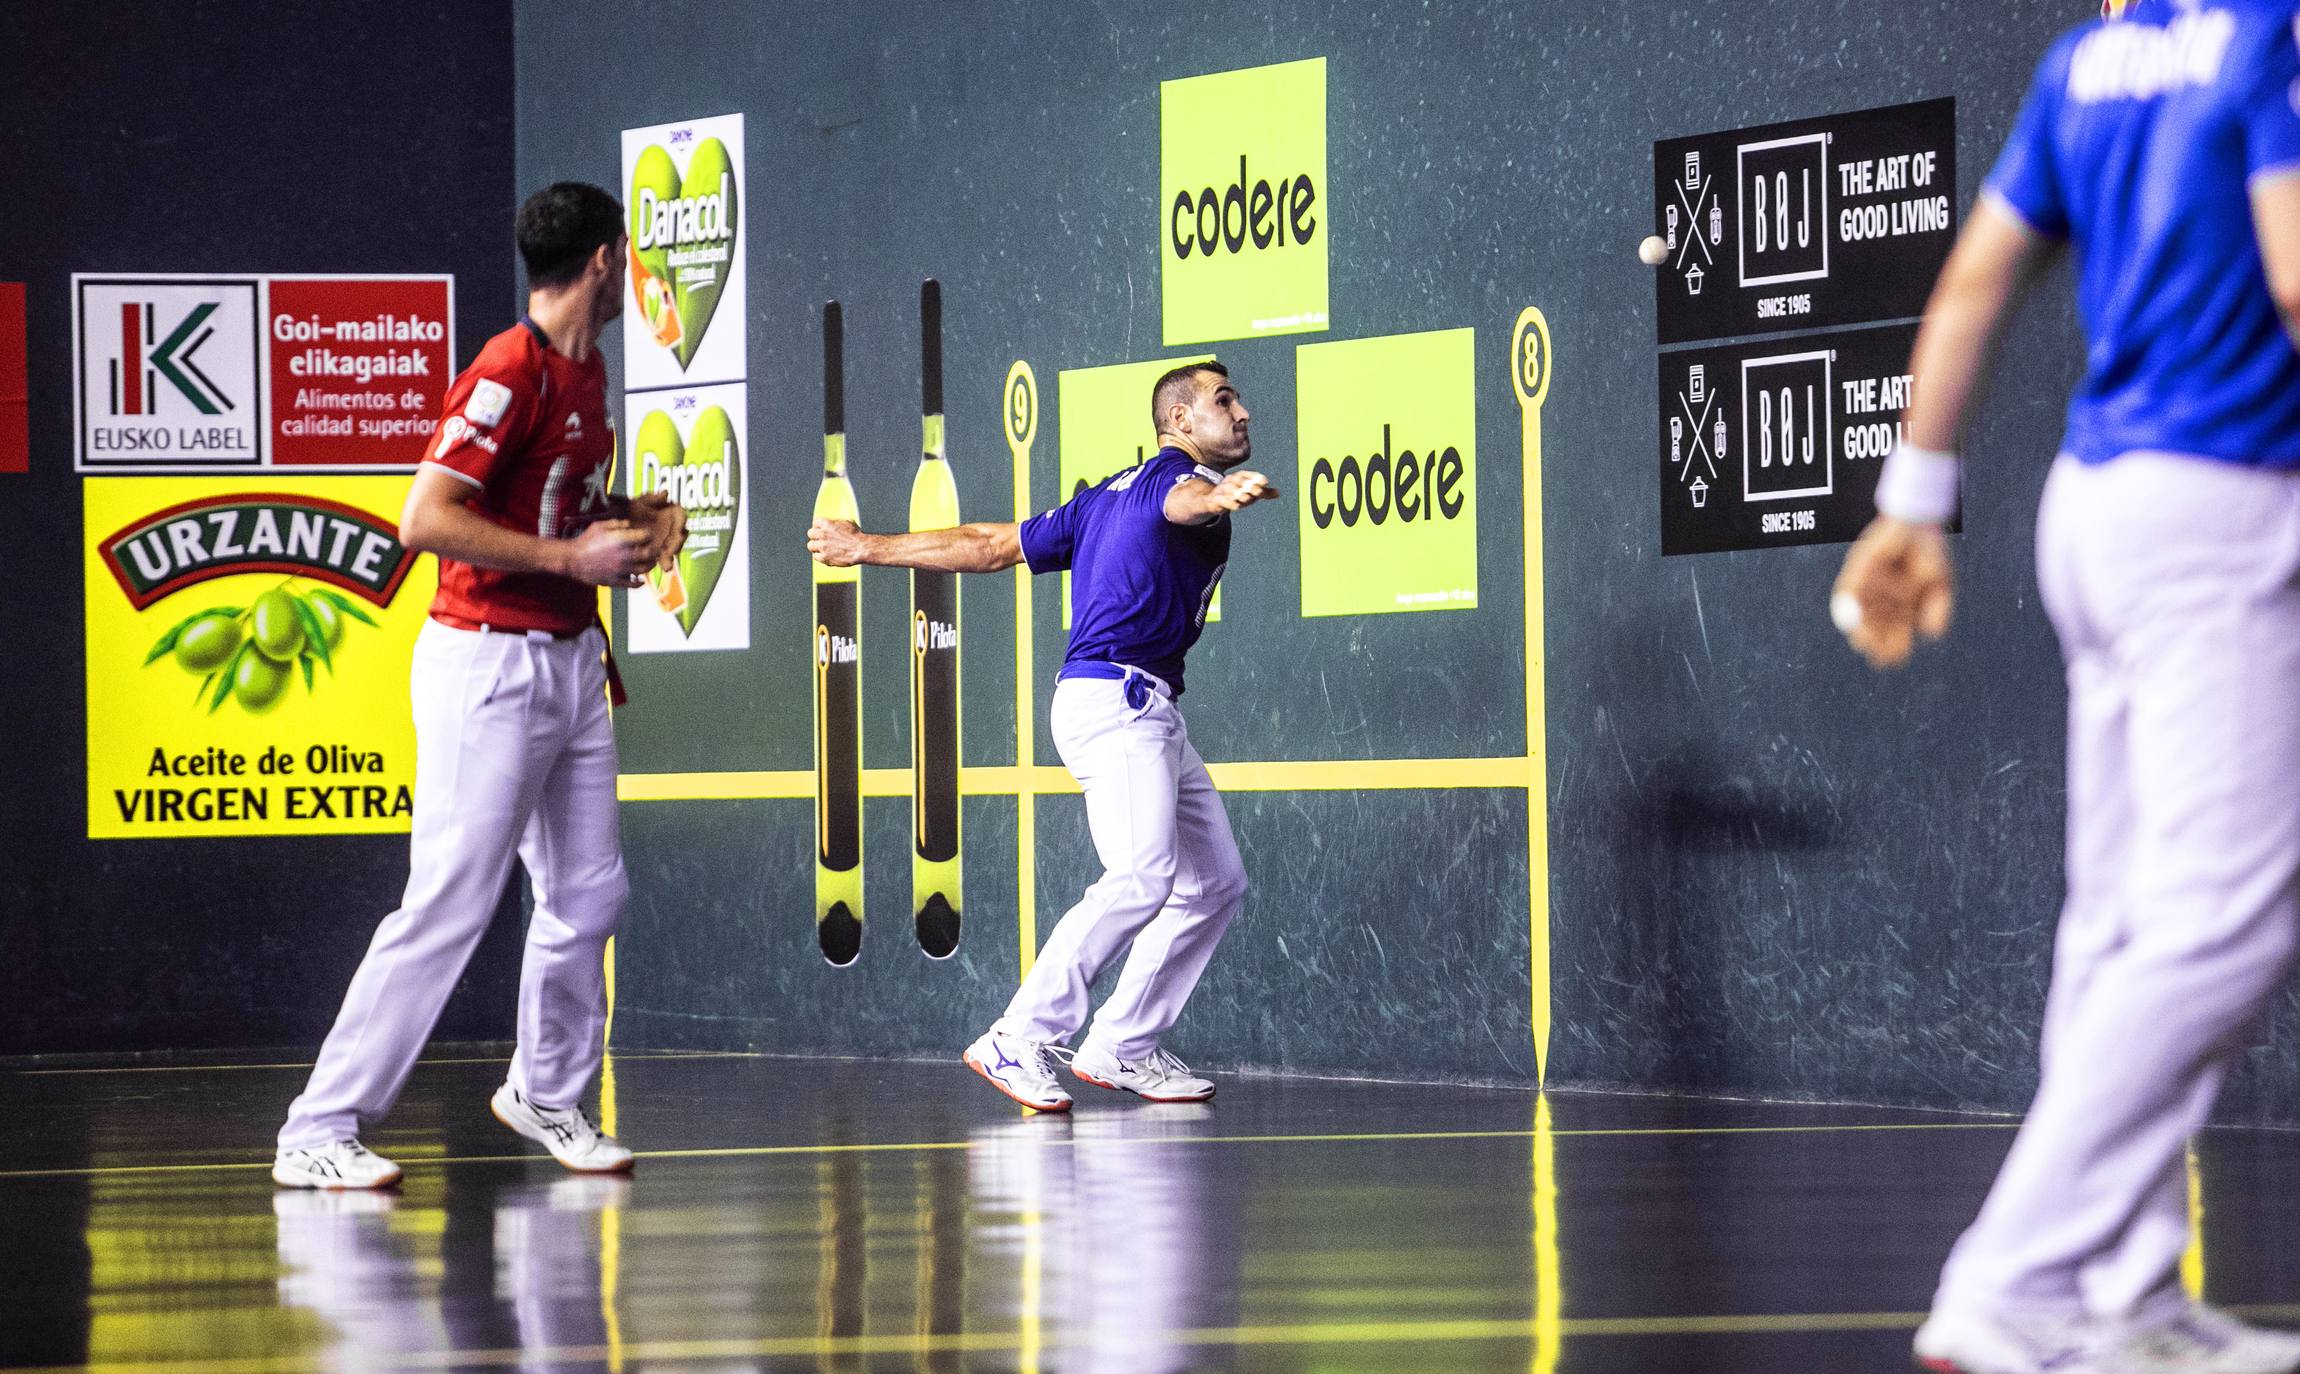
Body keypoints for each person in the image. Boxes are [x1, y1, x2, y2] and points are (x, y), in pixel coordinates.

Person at [1831, 3, 2300, 1369]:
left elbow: (1976, 278)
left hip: (2094, 511)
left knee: (2118, 925)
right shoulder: (2269, 38)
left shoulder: (2086, 59)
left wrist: (1914, 498)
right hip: (2221, 510)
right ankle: (2017, 1276)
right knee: (2224, 926)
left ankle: (2123, 1288)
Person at [272, 182, 685, 1188]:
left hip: (571, 665)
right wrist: (568, 558)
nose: (629, 274)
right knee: (451, 901)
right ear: (602, 260)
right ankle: (317, 1128)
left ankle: (546, 1094)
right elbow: (424, 519)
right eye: (624, 258)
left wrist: (636, 516)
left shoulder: (586, 377)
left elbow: (562, 504)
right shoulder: (507, 369)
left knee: (589, 893)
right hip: (486, 665)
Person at [808, 361, 1275, 1111]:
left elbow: (987, 544)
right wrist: (1218, 494)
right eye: (1225, 401)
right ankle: (1017, 1037)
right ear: (1180, 422)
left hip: (1140, 707)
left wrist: (868, 545)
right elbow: (1185, 502)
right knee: (1139, 877)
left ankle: (1123, 1043)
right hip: (1118, 701)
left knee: (1213, 883)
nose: (1244, 411)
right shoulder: (1174, 484)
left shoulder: (1101, 501)